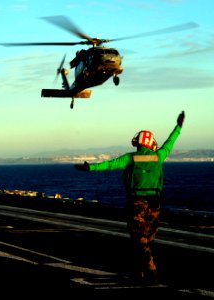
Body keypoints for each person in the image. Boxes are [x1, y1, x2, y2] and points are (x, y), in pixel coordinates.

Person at [74, 111, 185, 285]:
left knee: (139, 239)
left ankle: (150, 270)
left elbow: (109, 165)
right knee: (147, 239)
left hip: (137, 203)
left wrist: (90, 168)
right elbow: (170, 143)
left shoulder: (130, 158)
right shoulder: (159, 156)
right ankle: (139, 272)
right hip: (155, 204)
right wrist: (178, 126)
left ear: (138, 142)